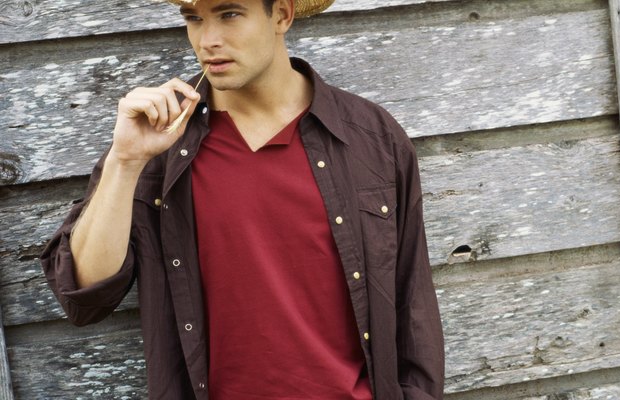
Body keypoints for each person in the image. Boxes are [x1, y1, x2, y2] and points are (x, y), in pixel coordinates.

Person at [41, 0, 444, 398]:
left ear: (281, 14)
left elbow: (414, 306)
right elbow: (84, 296)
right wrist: (125, 161)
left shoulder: (371, 138)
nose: (208, 39)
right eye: (194, 18)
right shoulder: (157, 146)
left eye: (229, 14)